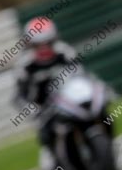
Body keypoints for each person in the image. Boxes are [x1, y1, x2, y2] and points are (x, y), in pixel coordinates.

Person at [13, 17, 80, 156]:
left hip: (72, 103)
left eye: (47, 43)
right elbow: (19, 96)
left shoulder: (65, 52)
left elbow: (81, 76)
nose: (44, 48)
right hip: (46, 111)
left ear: (54, 39)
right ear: (30, 44)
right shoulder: (25, 65)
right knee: (47, 138)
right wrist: (34, 111)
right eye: (38, 44)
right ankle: (55, 160)